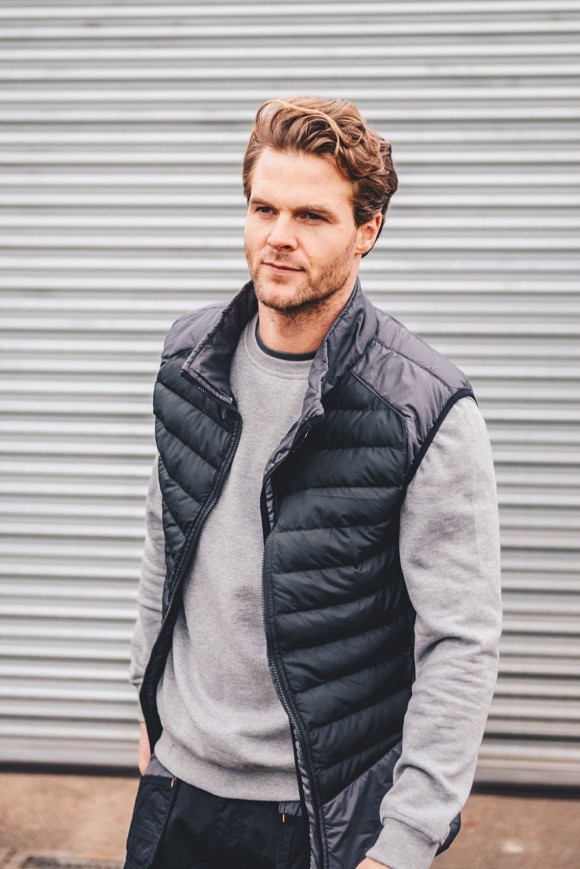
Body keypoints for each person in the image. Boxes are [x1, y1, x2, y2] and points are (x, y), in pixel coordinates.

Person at [124, 95, 502, 869]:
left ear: (368, 230)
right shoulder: (189, 361)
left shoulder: (422, 408)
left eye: (311, 216)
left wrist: (405, 839)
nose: (279, 236)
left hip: (318, 818)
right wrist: (147, 709)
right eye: (264, 208)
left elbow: (460, 639)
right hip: (176, 793)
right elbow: (167, 545)